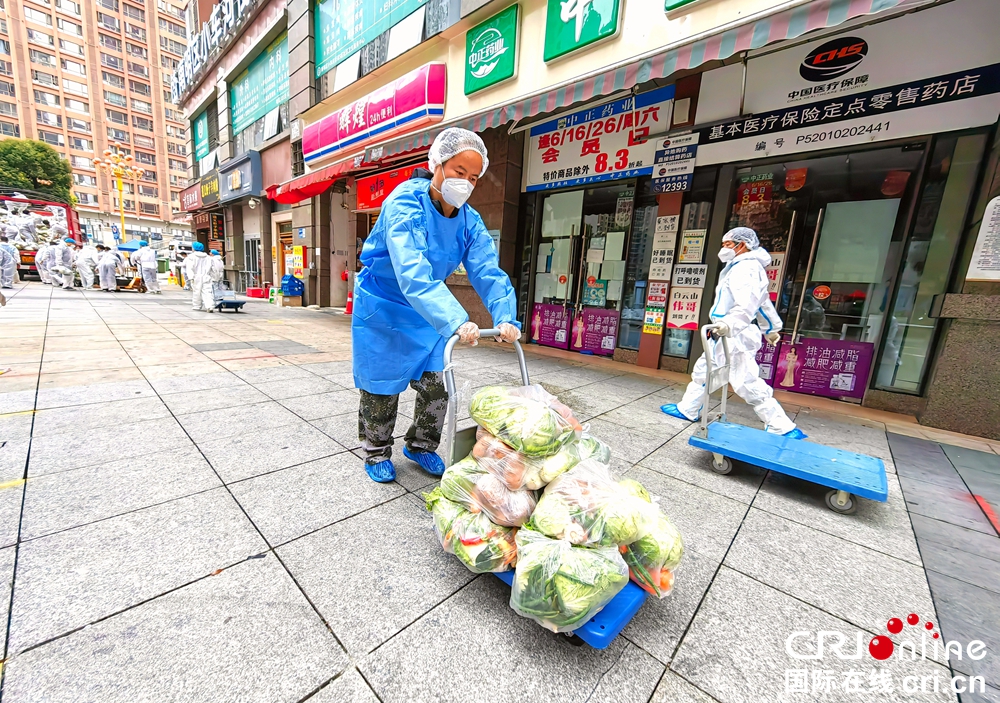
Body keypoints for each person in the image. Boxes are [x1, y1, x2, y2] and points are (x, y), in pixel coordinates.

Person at [352, 127, 520, 484]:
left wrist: (506, 317)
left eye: (473, 177)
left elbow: (488, 270)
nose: (466, 182)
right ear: (437, 165)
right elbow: (411, 270)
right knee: (381, 387)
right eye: (459, 172)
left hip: (428, 310)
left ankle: (421, 445)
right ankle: (377, 451)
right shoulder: (405, 203)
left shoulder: (469, 221)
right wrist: (457, 320)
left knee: (436, 384)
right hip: (384, 303)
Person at [661, 227, 806, 439]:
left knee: (746, 381)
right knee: (704, 370)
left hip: (734, 334)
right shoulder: (740, 265)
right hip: (725, 331)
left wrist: (730, 324)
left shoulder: (745, 268)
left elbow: (747, 303)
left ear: (742, 245)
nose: (724, 248)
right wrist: (771, 328)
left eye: (728, 244)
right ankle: (688, 408)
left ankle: (782, 426)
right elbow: (762, 302)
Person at [184, 242, 216, 312]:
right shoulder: (208, 257)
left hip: (196, 277)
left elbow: (189, 268)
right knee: (207, 292)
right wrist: (213, 277)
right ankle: (210, 306)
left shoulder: (191, 257)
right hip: (206, 276)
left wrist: (191, 277)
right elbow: (213, 268)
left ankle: (197, 306)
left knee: (196, 292)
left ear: (194, 248)